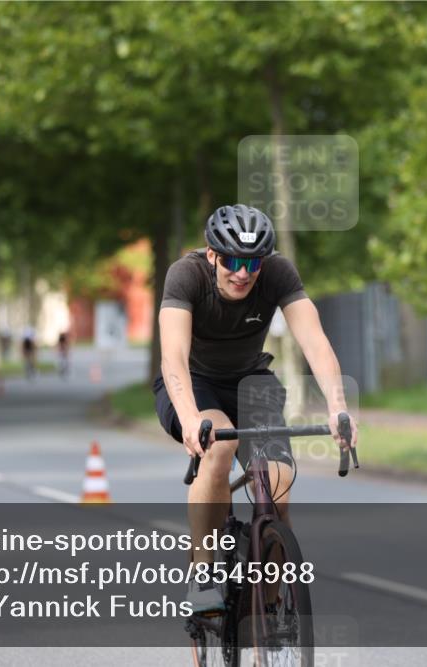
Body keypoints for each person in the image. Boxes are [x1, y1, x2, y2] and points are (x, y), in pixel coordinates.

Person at [153, 204, 358, 613]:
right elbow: (173, 355)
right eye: (232, 262)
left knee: (278, 483)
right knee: (219, 448)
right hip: (194, 383)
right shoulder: (186, 274)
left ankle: (268, 613)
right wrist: (191, 418)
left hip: (252, 381)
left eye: (253, 263)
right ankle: (203, 573)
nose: (243, 273)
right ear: (213, 255)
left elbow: (314, 342)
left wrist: (338, 408)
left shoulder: (279, 272)